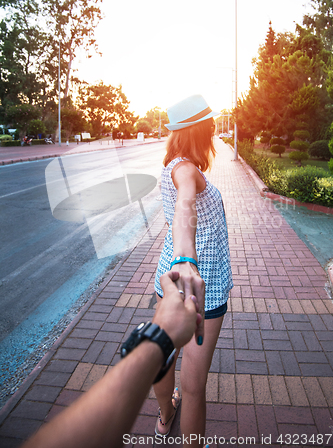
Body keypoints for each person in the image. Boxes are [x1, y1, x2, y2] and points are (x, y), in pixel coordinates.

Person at [21, 270, 205, 448]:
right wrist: (160, 340)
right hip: (207, 280)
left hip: (171, 274)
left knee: (174, 368)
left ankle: (165, 418)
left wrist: (159, 340)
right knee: (194, 382)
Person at [153, 94, 233, 445]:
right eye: (211, 125)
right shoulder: (187, 171)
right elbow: (186, 205)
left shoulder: (173, 164)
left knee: (165, 356)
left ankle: (165, 417)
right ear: (199, 131)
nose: (215, 130)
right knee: (194, 384)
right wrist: (188, 258)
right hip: (203, 283)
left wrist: (179, 261)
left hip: (169, 279)